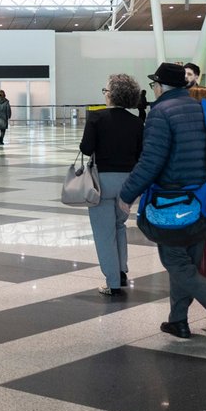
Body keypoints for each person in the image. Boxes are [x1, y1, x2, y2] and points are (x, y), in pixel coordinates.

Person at [119, 61, 206, 343]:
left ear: (160, 86)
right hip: (202, 201)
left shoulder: (160, 113)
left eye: (154, 84)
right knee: (187, 263)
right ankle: (178, 321)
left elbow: (151, 161)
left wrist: (127, 194)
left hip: (170, 203)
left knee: (175, 261)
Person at [80, 74, 144, 294]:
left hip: (102, 182)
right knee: (119, 226)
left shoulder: (96, 118)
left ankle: (113, 282)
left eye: (105, 90)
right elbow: (141, 153)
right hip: (128, 183)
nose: (104, 94)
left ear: (111, 94)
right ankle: (122, 270)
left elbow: (86, 148)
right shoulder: (136, 122)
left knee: (104, 233)